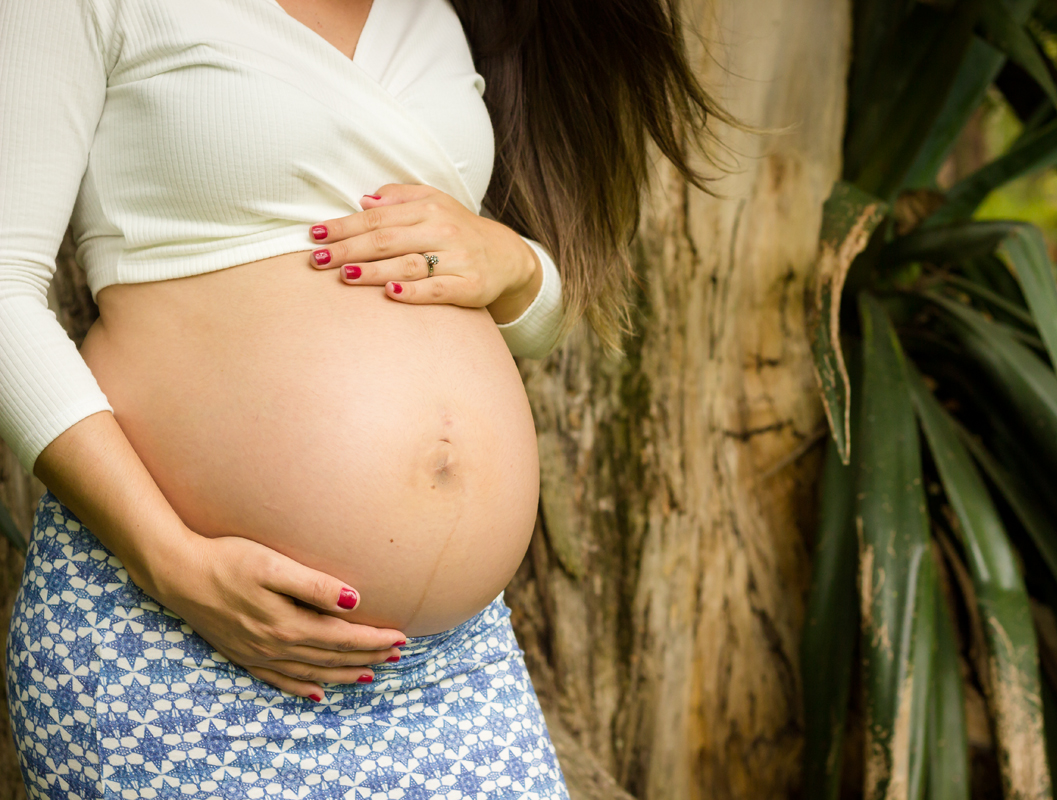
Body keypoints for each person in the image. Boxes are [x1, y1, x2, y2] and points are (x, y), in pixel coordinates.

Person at [0, 0, 728, 796]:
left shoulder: (443, 14)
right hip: (183, 633)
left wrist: (518, 266)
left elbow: (509, 307)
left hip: (451, 667)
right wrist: (174, 567)